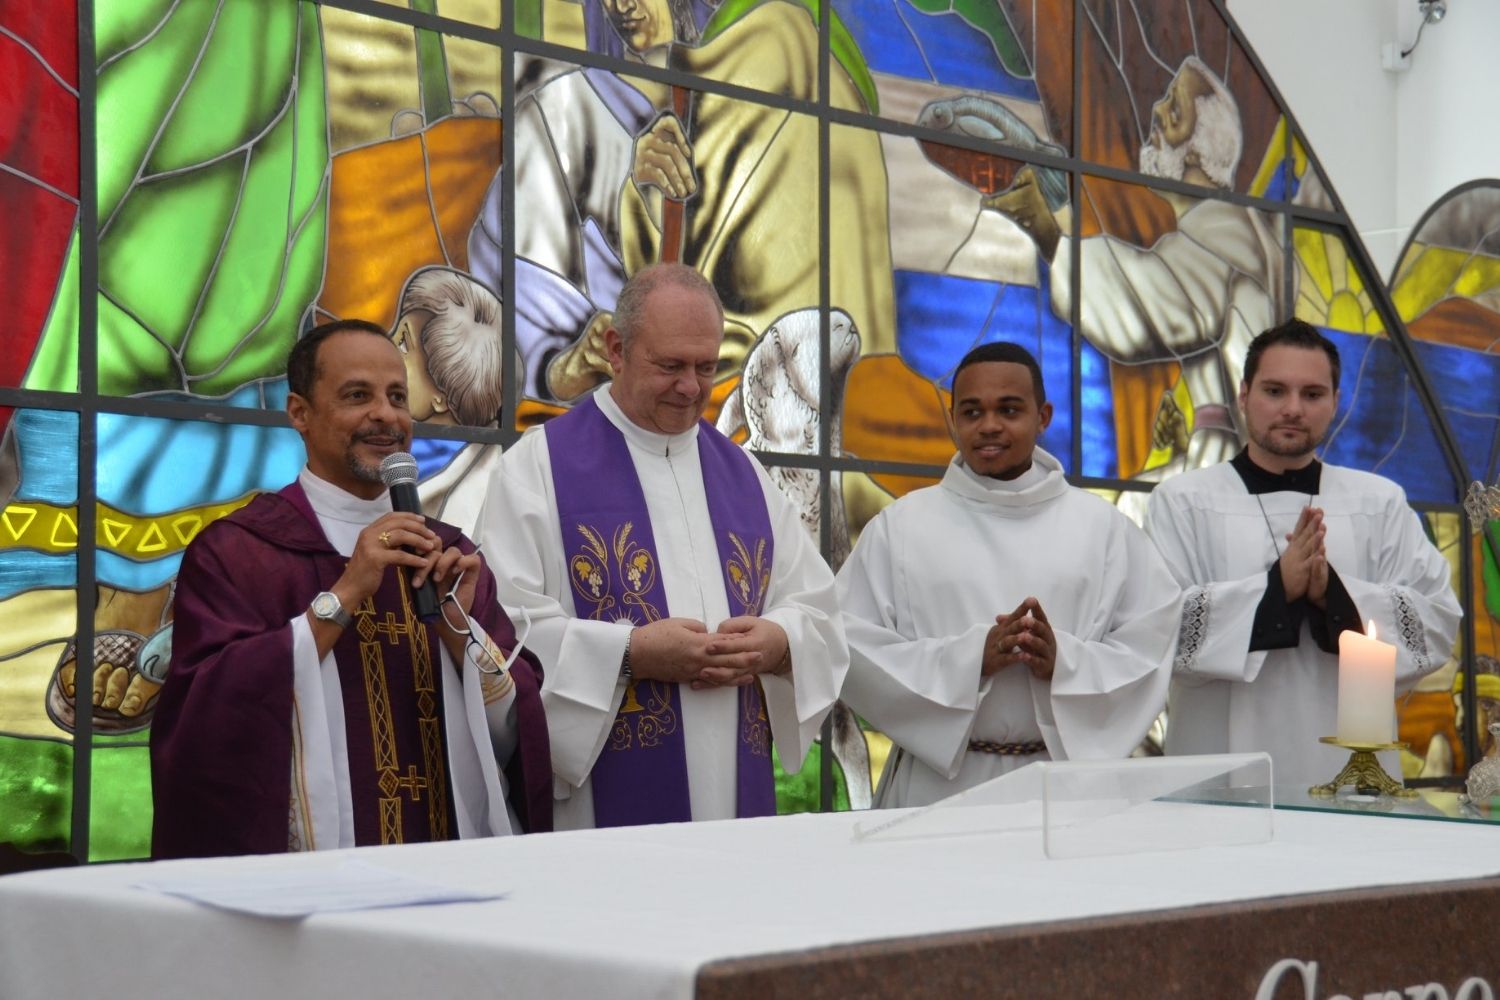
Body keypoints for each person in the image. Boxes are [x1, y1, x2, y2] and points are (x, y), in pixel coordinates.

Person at [150, 320, 551, 858]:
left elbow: (516, 726)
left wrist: (461, 630)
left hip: (452, 870)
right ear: (300, 414)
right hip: (313, 886)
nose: (385, 415)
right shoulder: (238, 554)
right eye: (357, 396)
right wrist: (343, 596)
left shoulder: (450, 556)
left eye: (396, 397)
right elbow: (202, 726)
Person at [479, 263, 846, 829]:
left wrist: (776, 642)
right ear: (616, 349)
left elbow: (817, 609)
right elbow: (502, 633)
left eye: (706, 366)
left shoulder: (745, 476)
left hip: (734, 810)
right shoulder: (538, 467)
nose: (691, 387)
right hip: (601, 813)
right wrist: (631, 653)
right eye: (670, 365)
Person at [836, 342, 1180, 808]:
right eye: (972, 411)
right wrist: (971, 659)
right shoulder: (900, 528)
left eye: (1009, 409)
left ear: (1043, 416)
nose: (990, 425)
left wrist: (1065, 662)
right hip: (937, 790)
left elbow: (1152, 644)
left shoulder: (1103, 530)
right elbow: (849, 647)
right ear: (952, 417)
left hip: (1063, 790)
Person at [1146, 320, 1462, 786]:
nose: (1293, 409)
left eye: (1312, 394)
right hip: (1218, 766)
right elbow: (1154, 627)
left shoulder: (1380, 503)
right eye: (1275, 391)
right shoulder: (1182, 501)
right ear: (1244, 394)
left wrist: (1333, 594)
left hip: (1352, 775)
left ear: (1335, 402)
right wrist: (1275, 590)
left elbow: (1436, 622)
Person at [986, 55, 1286, 485]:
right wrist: (1195, 431)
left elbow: (1143, 310)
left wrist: (1049, 234)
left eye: (1174, 109)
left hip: (1237, 478)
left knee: (1121, 520)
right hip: (1228, 463)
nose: (1158, 114)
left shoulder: (1224, 235)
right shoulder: (1230, 232)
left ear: (1199, 152)